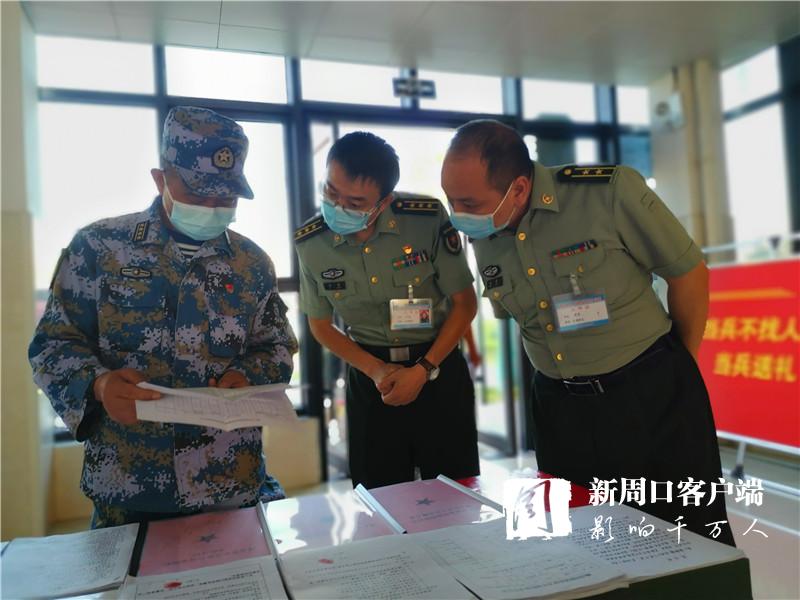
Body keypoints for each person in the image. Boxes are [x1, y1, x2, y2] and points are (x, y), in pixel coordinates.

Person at [440, 119, 735, 546]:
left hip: (646, 396)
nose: (458, 214)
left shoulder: (607, 193)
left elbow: (688, 274)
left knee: (686, 538)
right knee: (580, 542)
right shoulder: (486, 228)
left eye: (467, 202)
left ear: (518, 189)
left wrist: (678, 374)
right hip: (559, 410)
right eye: (451, 200)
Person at [29, 106, 298, 528]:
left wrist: (247, 375)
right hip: (130, 486)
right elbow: (52, 346)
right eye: (198, 193)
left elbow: (277, 347)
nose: (212, 207)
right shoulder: (99, 248)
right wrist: (100, 385)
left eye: (225, 198)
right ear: (161, 179)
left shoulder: (251, 263)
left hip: (229, 481)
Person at [295, 131, 479, 489]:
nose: (338, 207)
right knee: (377, 495)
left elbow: (464, 303)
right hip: (371, 378)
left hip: (437, 369)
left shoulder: (425, 220)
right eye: (331, 192)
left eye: (355, 201)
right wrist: (377, 371)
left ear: (384, 202)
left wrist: (423, 370)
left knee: (455, 492)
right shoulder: (311, 242)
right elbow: (320, 325)